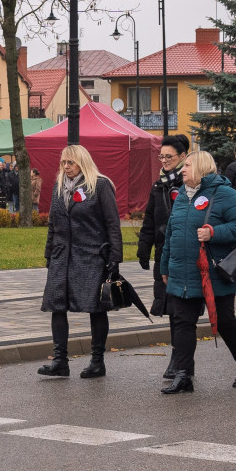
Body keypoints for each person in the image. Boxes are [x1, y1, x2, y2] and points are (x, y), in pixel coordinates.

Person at [159, 150, 236, 393]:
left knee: (225, 321)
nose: (182, 169)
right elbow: (171, 233)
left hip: (214, 271)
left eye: (187, 165)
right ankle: (184, 375)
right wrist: (165, 266)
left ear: (201, 167)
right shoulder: (182, 194)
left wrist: (214, 232)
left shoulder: (223, 193)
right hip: (182, 271)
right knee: (182, 322)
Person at [38, 145, 122, 379]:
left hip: (91, 256)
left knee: (95, 308)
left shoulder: (100, 185)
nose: (66, 167)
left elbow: (112, 224)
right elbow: (53, 225)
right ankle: (59, 361)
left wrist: (114, 258)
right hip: (61, 257)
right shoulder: (58, 187)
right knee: (57, 306)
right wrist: (49, 254)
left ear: (82, 162)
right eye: (64, 162)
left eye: (71, 163)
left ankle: (97, 361)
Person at [138, 134, 189, 378]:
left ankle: (180, 359)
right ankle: (177, 358)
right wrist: (144, 247)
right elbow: (150, 218)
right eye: (162, 156)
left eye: (169, 157)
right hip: (163, 255)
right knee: (170, 308)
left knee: (182, 310)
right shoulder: (159, 185)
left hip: (185, 255)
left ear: (183, 157)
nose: (164, 161)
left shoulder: (188, 182)